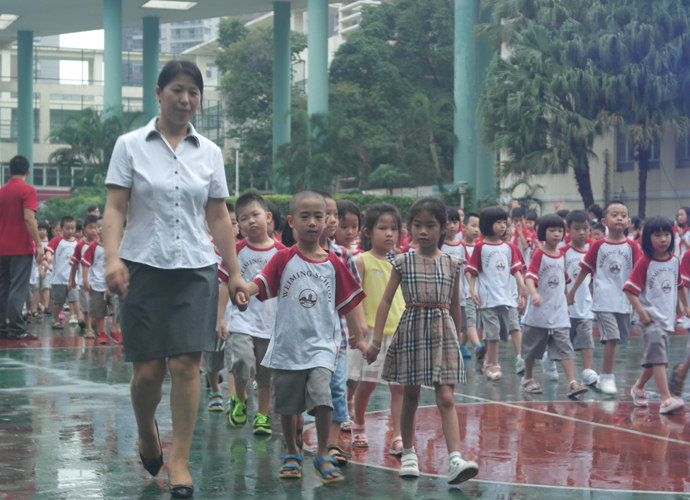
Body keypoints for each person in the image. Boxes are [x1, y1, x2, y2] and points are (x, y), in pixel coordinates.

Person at [102, 60, 248, 499]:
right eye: (177, 90)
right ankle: (147, 431)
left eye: (193, 93)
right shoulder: (130, 145)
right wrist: (112, 258)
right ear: (159, 93)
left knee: (186, 365)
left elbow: (218, 215)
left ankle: (180, 461)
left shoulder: (210, 152)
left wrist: (235, 272)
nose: (185, 100)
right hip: (142, 267)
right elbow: (115, 207)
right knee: (149, 372)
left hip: (195, 269)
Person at [239, 190, 366, 484]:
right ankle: (292, 452)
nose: (312, 222)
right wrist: (243, 291)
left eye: (318, 217)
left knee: (323, 398)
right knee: (289, 405)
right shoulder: (283, 258)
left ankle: (321, 453)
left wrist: (360, 338)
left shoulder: (334, 263)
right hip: (288, 346)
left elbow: (348, 303)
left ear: (326, 221)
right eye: (305, 216)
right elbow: (259, 283)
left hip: (322, 346)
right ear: (291, 221)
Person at [366, 196, 478, 484]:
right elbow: (386, 301)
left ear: (444, 227)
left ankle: (455, 459)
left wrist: (458, 339)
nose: (423, 231)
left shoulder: (453, 264)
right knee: (411, 397)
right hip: (412, 331)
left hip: (443, 334)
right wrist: (376, 341)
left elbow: (455, 306)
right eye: (417, 225)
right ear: (410, 227)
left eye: (430, 225)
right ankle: (408, 453)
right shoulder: (403, 261)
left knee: (446, 397)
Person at [217, 193, 283, 435]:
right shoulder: (235, 251)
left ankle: (262, 416)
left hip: (270, 324)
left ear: (268, 217)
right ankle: (240, 398)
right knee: (243, 362)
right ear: (238, 225)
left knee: (265, 376)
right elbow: (224, 284)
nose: (250, 221)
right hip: (241, 321)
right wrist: (221, 317)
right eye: (243, 218)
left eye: (255, 215)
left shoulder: (282, 252)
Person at [567, 200, 641, 396]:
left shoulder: (632, 246)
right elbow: (585, 269)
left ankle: (601, 378)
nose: (619, 218)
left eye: (623, 215)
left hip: (624, 302)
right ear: (604, 221)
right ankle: (607, 377)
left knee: (617, 340)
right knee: (612, 337)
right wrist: (572, 292)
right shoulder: (598, 246)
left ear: (629, 222)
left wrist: (643, 300)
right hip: (603, 301)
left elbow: (639, 272)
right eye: (614, 215)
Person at [350, 203, 405, 456]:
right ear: (368, 232)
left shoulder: (402, 262)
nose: (389, 233)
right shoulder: (361, 261)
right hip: (373, 334)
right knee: (367, 384)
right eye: (382, 228)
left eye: (394, 228)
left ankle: (398, 435)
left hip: (399, 332)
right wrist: (358, 330)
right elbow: (353, 297)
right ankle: (359, 423)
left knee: (399, 386)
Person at [624, 216, 688, 414]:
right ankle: (666, 399)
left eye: (667, 234)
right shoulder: (645, 262)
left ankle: (637, 387)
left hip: (666, 319)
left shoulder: (674, 261)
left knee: (655, 360)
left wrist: (683, 306)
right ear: (647, 239)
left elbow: (678, 286)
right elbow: (629, 290)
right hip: (650, 320)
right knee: (659, 358)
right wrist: (641, 312)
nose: (663, 239)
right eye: (657, 235)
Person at [520, 214, 588, 397]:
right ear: (543, 232)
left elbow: (562, 278)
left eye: (560, 230)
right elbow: (529, 276)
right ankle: (527, 378)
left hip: (558, 312)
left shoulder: (562, 255)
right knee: (532, 348)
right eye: (552, 230)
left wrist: (567, 296)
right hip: (539, 312)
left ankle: (572, 383)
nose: (557, 234)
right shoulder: (539, 254)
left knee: (565, 347)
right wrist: (534, 293)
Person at [466, 206, 528, 381]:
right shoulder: (480, 247)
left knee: (506, 330)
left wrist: (522, 285)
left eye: (504, 223)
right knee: (492, 334)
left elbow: (515, 269)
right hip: (488, 299)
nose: (503, 226)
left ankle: (493, 361)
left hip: (507, 299)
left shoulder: (509, 247)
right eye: (498, 222)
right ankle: (493, 364)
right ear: (487, 224)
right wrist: (472, 289)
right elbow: (472, 270)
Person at [0, 155, 43, 340]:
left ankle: (2, 327)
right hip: (20, 248)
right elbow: (29, 218)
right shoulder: (28, 190)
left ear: (9, 171)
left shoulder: (1, 191)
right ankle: (17, 328)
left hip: (1, 248)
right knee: (18, 288)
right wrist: (39, 245)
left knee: (3, 288)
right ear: (28, 171)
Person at [563, 210, 599, 386]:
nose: (582, 232)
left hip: (584, 305)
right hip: (565, 307)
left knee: (586, 340)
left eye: (585, 228)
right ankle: (549, 359)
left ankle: (588, 371)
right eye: (577, 229)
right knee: (563, 343)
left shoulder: (591, 253)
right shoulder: (562, 252)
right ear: (568, 230)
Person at [81, 219, 121, 345]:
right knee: (98, 311)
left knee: (116, 309)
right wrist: (85, 280)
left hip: (114, 284)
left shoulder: (116, 246)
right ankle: (102, 333)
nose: (100, 229)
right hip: (97, 285)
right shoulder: (93, 246)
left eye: (104, 226)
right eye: (98, 226)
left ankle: (115, 331)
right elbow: (85, 263)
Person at [45, 216, 80, 329]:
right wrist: (49, 257)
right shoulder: (57, 240)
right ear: (61, 229)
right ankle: (55, 320)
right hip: (59, 278)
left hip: (73, 278)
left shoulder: (77, 242)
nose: (70, 231)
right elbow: (48, 250)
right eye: (67, 228)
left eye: (72, 228)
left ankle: (80, 319)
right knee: (58, 302)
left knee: (75, 299)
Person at [459, 212, 485, 359]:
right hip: (465, 291)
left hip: (476, 291)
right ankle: (477, 346)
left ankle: (461, 345)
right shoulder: (459, 246)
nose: (476, 230)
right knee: (470, 319)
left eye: (479, 227)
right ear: (464, 227)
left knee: (471, 319)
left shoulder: (480, 247)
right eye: (473, 226)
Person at [69, 214, 99, 333]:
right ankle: (89, 328)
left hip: (98, 281)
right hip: (83, 281)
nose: (94, 230)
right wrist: (72, 279)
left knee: (97, 305)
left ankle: (97, 326)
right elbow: (75, 264)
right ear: (84, 230)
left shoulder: (101, 244)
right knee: (86, 306)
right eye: (90, 227)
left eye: (96, 227)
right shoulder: (80, 245)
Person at [669, 247, 690, 396]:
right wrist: (683, 306)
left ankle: (681, 372)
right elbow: (684, 284)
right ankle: (681, 373)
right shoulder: (688, 255)